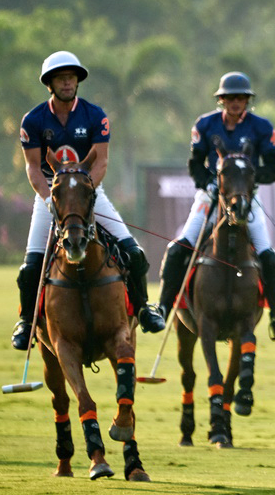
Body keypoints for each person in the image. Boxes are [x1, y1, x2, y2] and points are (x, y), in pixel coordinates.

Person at [11, 51, 166, 349]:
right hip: (51, 196)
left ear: (77, 81)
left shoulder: (95, 116)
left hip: (89, 193)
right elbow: (33, 167)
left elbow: (102, 161)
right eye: (60, 78)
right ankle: (27, 321)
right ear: (50, 84)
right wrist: (47, 199)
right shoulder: (33, 120)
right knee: (30, 267)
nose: (67, 83)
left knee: (133, 252)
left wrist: (86, 195)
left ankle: (144, 308)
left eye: (71, 77)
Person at [154, 72, 275, 341]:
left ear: (247, 101)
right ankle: (163, 307)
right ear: (221, 100)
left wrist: (248, 182)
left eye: (240, 98)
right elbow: (195, 164)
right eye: (229, 98)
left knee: (268, 255)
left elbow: (273, 168)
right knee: (180, 246)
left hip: (246, 200)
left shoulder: (261, 127)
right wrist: (210, 183)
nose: (235, 102)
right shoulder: (205, 125)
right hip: (211, 198)